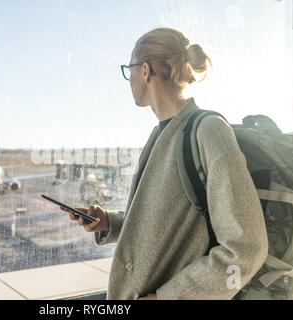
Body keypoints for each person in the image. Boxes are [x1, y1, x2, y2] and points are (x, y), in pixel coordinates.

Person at [60, 27, 268, 300]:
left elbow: (245, 248)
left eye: (129, 69)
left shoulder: (209, 131)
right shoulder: (160, 134)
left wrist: (169, 298)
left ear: (144, 70)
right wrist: (109, 222)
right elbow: (169, 222)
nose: (129, 78)